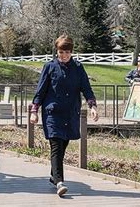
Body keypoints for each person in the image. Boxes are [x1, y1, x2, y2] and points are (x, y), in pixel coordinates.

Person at [29, 35, 99, 197]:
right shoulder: (50, 67)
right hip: (52, 113)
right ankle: (60, 182)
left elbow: (86, 88)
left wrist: (92, 106)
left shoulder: (78, 68)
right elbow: (40, 91)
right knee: (56, 146)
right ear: (57, 51)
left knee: (63, 146)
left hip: (70, 114)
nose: (64, 55)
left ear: (71, 52)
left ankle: (54, 175)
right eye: (61, 52)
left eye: (67, 52)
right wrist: (34, 111)